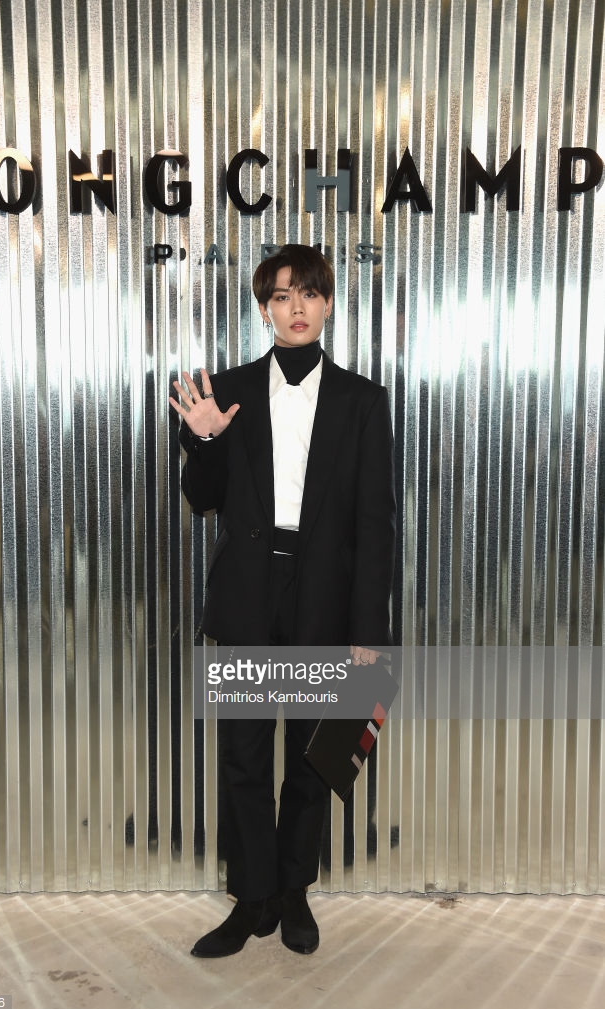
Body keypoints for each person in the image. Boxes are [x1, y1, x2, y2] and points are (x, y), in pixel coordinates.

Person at [169, 243, 396, 958]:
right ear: (264, 307)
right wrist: (205, 441)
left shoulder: (362, 401)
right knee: (242, 755)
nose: (296, 307)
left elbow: (376, 524)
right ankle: (251, 897)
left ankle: (294, 891)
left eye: (309, 294)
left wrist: (370, 633)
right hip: (247, 593)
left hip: (324, 595)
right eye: (281, 295)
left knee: (311, 754)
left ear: (327, 304)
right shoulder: (227, 389)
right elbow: (202, 499)